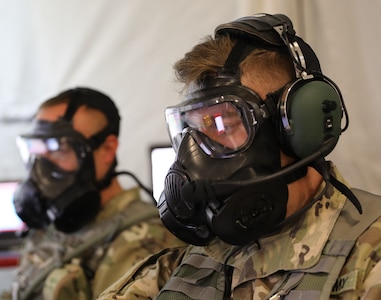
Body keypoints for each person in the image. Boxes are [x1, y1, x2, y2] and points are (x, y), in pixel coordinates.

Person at [97, 13, 381, 300]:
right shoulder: (177, 269)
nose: (196, 155)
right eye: (192, 130)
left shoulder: (369, 258)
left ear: (296, 126)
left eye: (222, 124)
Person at [1, 87, 186, 300]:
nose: (40, 168)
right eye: (35, 149)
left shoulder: (145, 241)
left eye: (58, 149)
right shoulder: (55, 221)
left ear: (107, 150)